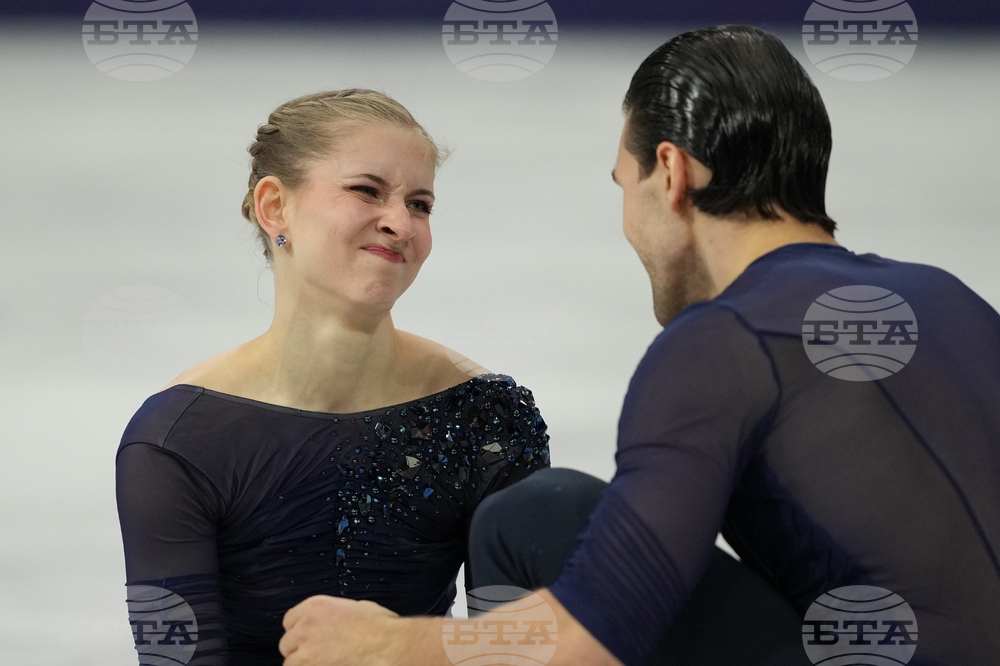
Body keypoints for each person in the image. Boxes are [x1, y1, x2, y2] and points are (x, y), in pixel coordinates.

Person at [277, 25, 1000, 666]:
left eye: (626, 185)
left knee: (533, 518)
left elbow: (591, 634)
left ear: (674, 173)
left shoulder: (719, 343)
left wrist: (389, 645)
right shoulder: (949, 298)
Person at [114, 89, 552, 665]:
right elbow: (178, 659)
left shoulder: (484, 417)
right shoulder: (177, 442)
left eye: (420, 204)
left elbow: (529, 652)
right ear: (275, 207)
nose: (400, 222)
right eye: (366, 191)